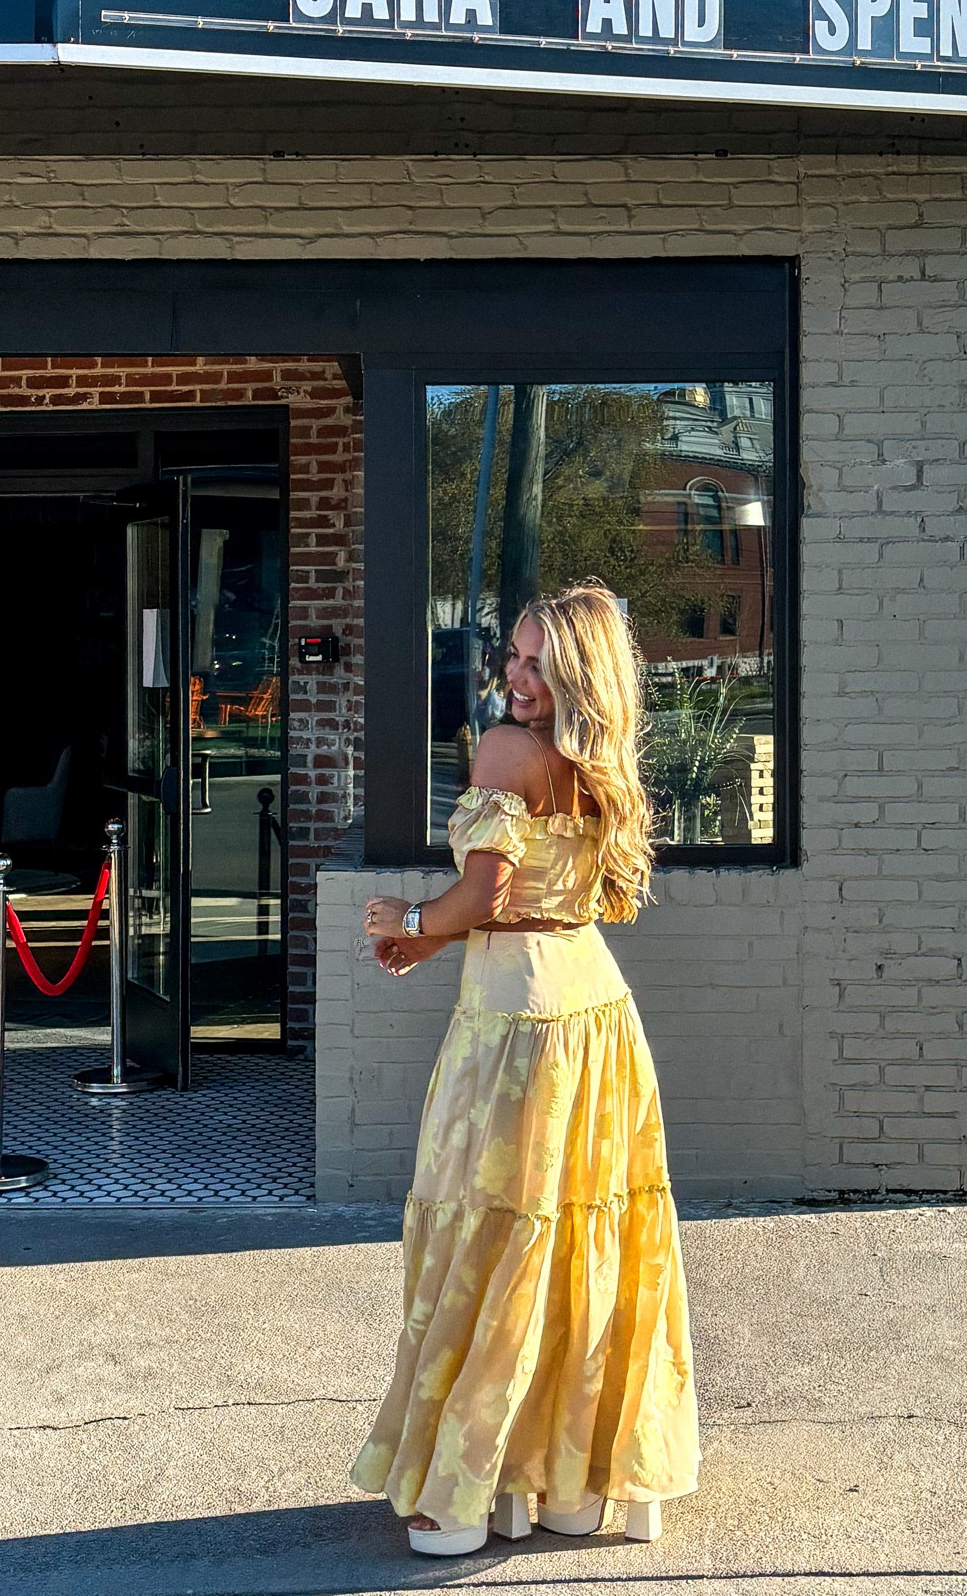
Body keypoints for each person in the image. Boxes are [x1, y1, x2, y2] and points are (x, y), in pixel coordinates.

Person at [351, 581, 699, 1556]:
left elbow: (484, 887)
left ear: (576, 673)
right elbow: (535, 900)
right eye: (512, 654)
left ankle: (460, 1496)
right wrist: (435, 942)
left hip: (517, 1025)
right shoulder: (598, 764)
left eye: (536, 661)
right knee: (585, 1239)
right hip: (594, 1005)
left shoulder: (507, 751)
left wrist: (411, 922)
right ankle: (575, 1483)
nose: (514, 673)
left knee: (492, 1240)